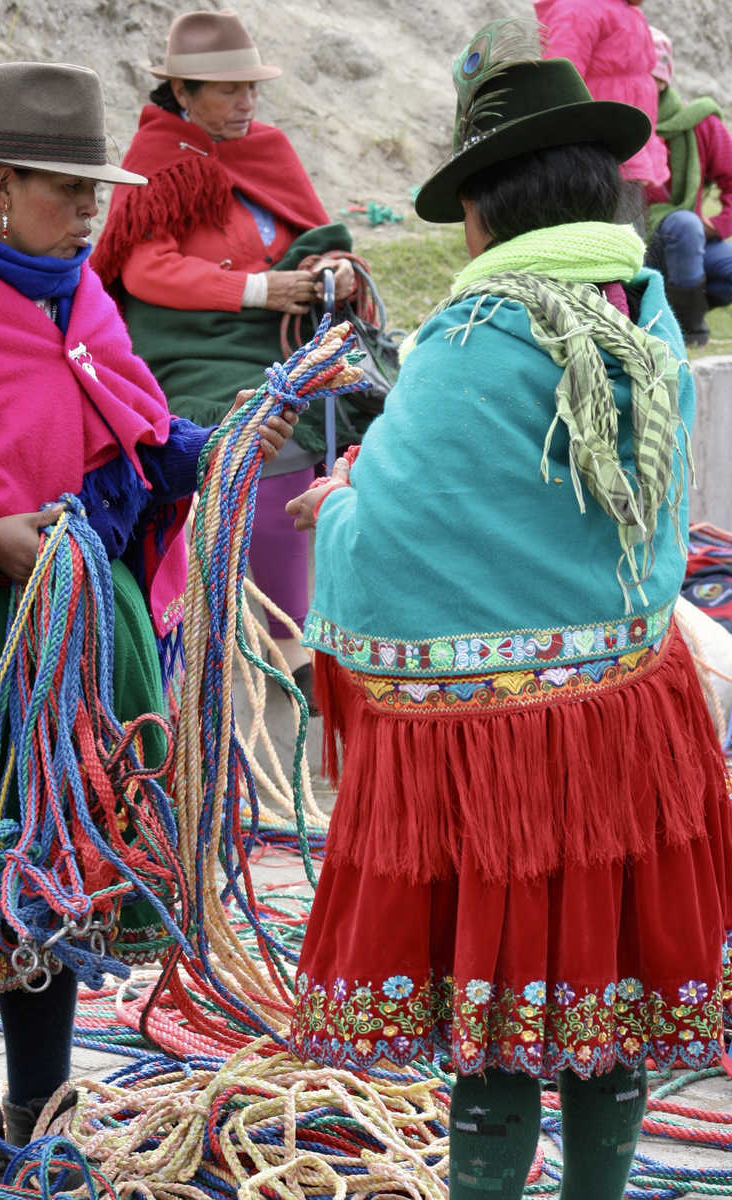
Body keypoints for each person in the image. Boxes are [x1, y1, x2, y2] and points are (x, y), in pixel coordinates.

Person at [286, 25, 732, 1200]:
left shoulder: (473, 339)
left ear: (486, 211)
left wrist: (337, 505)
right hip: (632, 729)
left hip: (500, 768)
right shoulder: (637, 313)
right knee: (610, 1011)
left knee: (494, 1034)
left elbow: (395, 536)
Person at [0, 59, 295, 1181]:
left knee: (63, 871)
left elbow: (125, 426)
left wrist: (210, 447)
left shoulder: (74, 288)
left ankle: (43, 1107)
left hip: (85, 627)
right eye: (68, 189)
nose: (94, 211)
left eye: (98, 188)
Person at [93, 10, 368, 705]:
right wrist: (256, 288)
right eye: (227, 91)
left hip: (276, 330)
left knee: (363, 406)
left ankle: (323, 617)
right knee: (265, 431)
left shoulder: (266, 148)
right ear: (182, 92)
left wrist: (335, 267)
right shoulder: (159, 161)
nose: (246, 103)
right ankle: (282, 634)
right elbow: (144, 270)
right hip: (193, 341)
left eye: (251, 88)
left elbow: (313, 229)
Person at [533, 0, 668, 230]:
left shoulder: (626, 11)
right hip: (592, 159)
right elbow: (560, 85)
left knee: (628, 246)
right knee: (609, 245)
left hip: (622, 150)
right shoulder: (577, 9)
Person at [644, 26, 732, 347]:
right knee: (683, 224)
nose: (646, 84)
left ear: (665, 79)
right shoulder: (618, 121)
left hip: (689, 244)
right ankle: (689, 330)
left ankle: (674, 307)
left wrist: (717, 224)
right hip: (635, 246)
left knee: (689, 229)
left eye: (653, 76)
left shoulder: (700, 123)